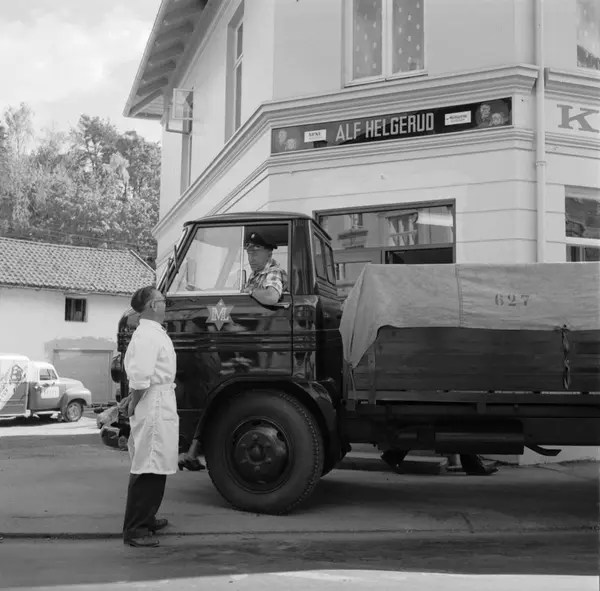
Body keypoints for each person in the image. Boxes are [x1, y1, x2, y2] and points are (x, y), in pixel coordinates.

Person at [178, 231, 289, 471]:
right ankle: (194, 449)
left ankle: (194, 448)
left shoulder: (273, 272)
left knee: (211, 389)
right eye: (249, 251)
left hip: (255, 348)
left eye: (256, 251)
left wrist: (248, 292)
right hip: (242, 345)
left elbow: (272, 296)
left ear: (269, 252)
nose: (251, 256)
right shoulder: (255, 276)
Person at [121, 286, 179, 548]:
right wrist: (133, 403)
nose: (165, 304)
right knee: (147, 464)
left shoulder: (153, 332)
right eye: (162, 301)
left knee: (158, 463)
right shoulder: (146, 335)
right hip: (152, 402)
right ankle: (135, 528)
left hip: (158, 399)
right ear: (153, 305)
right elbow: (141, 378)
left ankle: (148, 517)